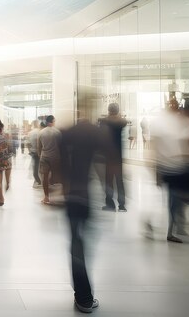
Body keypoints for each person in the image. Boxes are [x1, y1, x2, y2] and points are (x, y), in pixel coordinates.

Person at [59, 117, 107, 313]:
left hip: (71, 197)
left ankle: (82, 295)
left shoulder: (66, 135)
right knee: (80, 245)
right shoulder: (95, 136)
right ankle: (84, 298)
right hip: (85, 196)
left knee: (76, 244)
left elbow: (59, 169)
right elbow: (108, 163)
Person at [152, 100, 189, 243]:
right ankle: (173, 230)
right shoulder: (186, 125)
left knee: (175, 200)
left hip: (177, 168)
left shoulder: (182, 124)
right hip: (176, 168)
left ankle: (175, 229)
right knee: (175, 200)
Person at [99, 103, 128, 212]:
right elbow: (124, 121)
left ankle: (110, 204)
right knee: (120, 181)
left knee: (109, 181)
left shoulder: (104, 122)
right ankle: (122, 205)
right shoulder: (121, 122)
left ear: (109, 110)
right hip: (118, 155)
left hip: (108, 155)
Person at [38, 115, 62, 204]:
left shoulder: (41, 132)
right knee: (58, 176)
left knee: (45, 177)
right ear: (52, 121)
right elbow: (61, 146)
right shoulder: (57, 132)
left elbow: (39, 147)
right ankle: (60, 195)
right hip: (55, 157)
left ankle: (46, 197)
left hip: (44, 157)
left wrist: (40, 155)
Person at [26, 120, 43, 188]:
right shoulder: (40, 132)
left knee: (35, 166)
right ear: (38, 124)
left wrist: (30, 151)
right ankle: (40, 181)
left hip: (33, 152)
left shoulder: (30, 133)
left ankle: (37, 180)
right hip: (40, 152)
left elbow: (28, 144)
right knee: (40, 166)